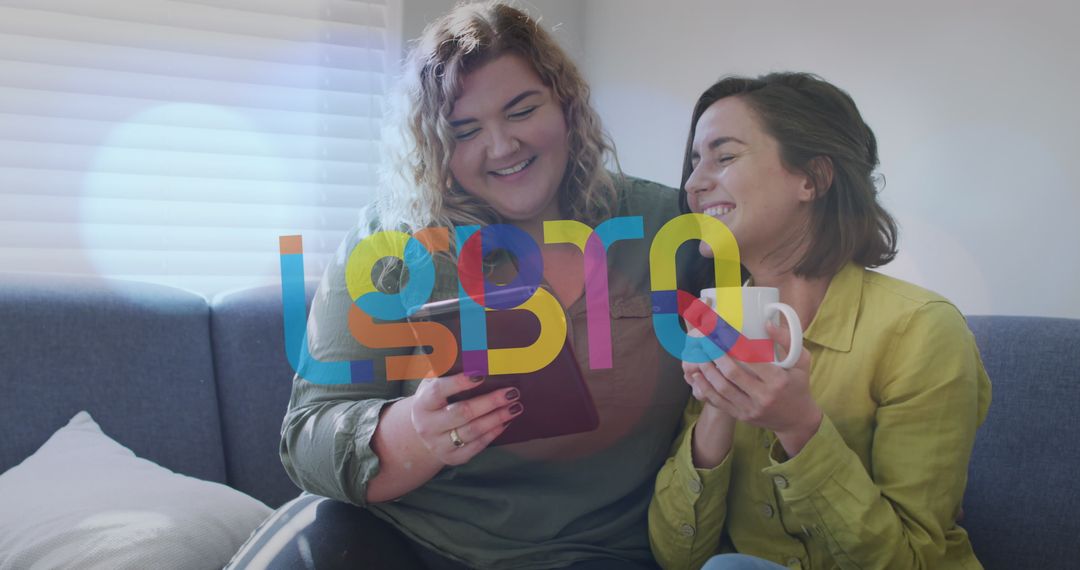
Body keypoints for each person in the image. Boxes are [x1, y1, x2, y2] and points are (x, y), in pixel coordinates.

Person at [247, 3, 694, 569]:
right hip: (402, 538)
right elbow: (306, 436)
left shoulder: (663, 227)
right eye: (465, 131)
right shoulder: (392, 239)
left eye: (522, 109)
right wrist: (412, 432)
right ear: (433, 146)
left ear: (567, 106)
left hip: (590, 552)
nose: (502, 145)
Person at [647, 73, 991, 570]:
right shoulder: (717, 321)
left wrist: (799, 426)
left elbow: (910, 562)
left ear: (812, 178)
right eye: (695, 161)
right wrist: (719, 410)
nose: (694, 184)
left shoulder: (921, 331)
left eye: (723, 157)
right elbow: (676, 556)